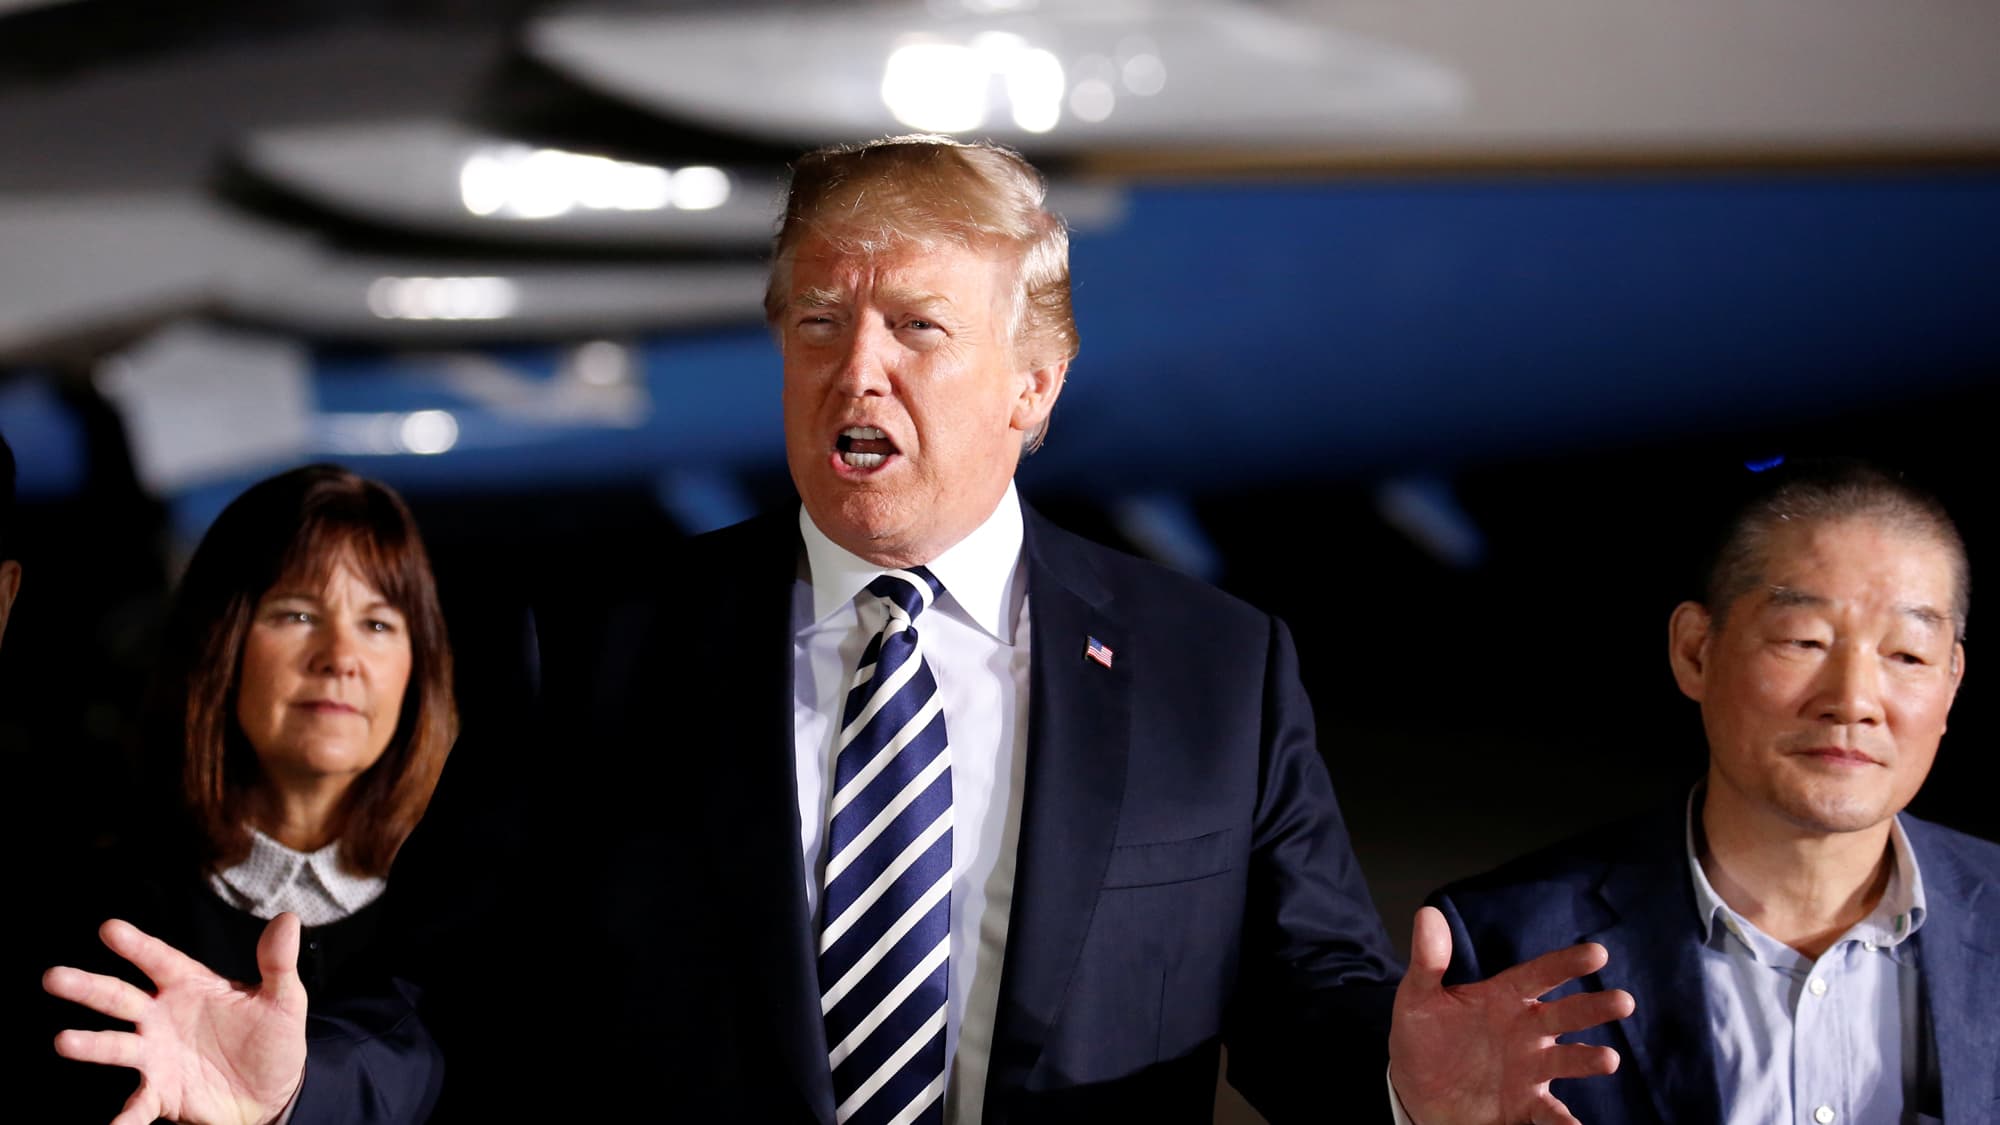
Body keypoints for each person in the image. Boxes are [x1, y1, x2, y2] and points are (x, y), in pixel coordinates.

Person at [42, 137, 1628, 1124]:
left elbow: (1306, 1003)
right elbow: (454, 1012)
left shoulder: (1219, 666)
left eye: (915, 328)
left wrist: (1402, 1085)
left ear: (1033, 382)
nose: (853, 371)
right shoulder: (594, 651)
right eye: (816, 323)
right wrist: (300, 1086)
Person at [1419, 460, 1995, 1123]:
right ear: (1695, 650)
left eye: (1908, 655)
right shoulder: (1510, 943)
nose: (1854, 701)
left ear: (1952, 680)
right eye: (1803, 640)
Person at [40, 464, 454, 1124]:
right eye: (297, 613)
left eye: (378, 623)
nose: (341, 655)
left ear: (419, 668)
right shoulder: (101, 908)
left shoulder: (477, 907)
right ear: (221, 644)